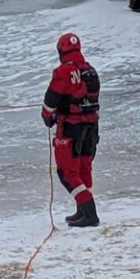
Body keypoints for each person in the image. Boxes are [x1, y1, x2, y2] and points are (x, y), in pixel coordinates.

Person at [41, 33, 101, 228]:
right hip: (92, 126)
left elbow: (51, 100)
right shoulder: (90, 70)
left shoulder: (63, 72)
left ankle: (90, 213)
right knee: (84, 168)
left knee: (67, 173)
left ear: (61, 51)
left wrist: (47, 115)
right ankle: (82, 210)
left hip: (71, 127)